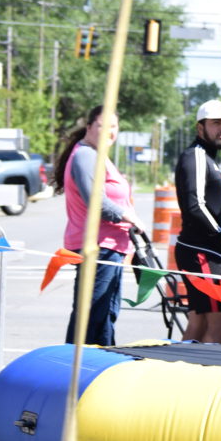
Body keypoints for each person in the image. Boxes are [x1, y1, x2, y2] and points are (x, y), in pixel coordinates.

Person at [53, 105, 145, 346]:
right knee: (92, 315)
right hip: (97, 247)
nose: (110, 132)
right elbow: (96, 200)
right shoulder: (85, 155)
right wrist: (128, 216)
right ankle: (74, 373)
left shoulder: (95, 154)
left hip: (109, 246)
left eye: (114, 127)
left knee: (103, 314)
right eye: (103, 126)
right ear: (89, 127)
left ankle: (98, 366)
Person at [175, 99, 221, 344]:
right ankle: (202, 375)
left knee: (200, 321)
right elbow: (195, 204)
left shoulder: (208, 158)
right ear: (200, 127)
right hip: (202, 253)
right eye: (216, 123)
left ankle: (178, 372)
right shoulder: (196, 156)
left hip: (205, 253)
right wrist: (220, 234)